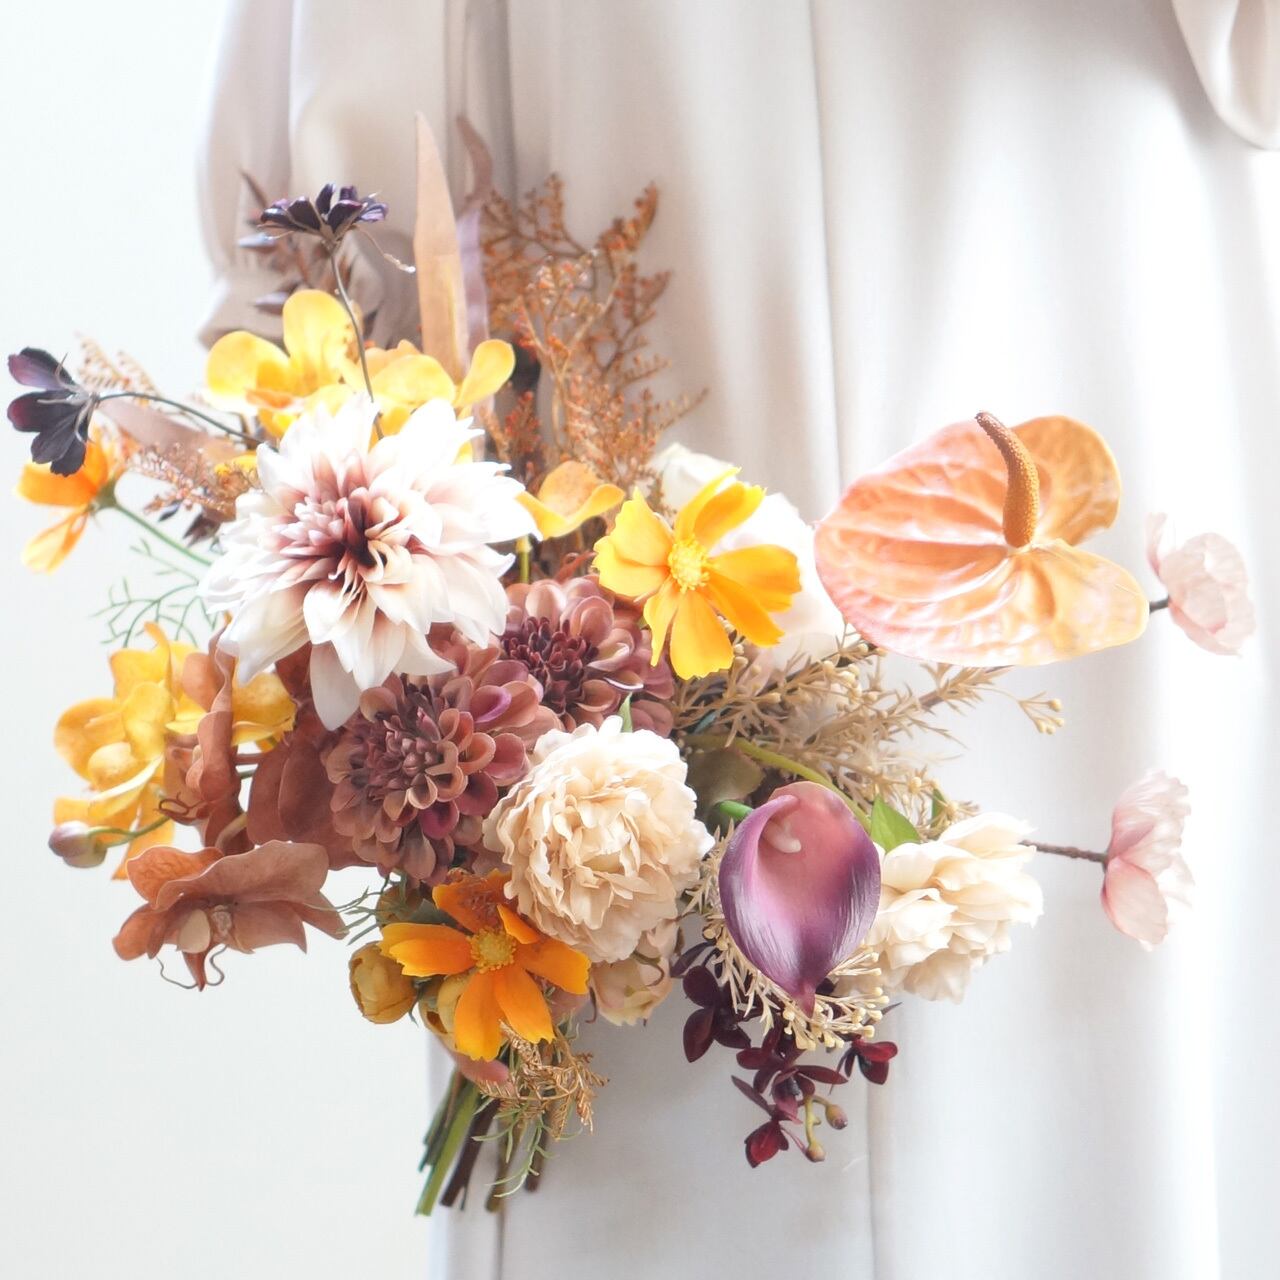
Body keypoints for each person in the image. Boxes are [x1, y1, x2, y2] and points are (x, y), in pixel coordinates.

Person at [200, 4, 1279, 1277]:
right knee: (638, 1045)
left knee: (1076, 1081)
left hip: (1074, 240)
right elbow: (330, 230)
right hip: (629, 306)